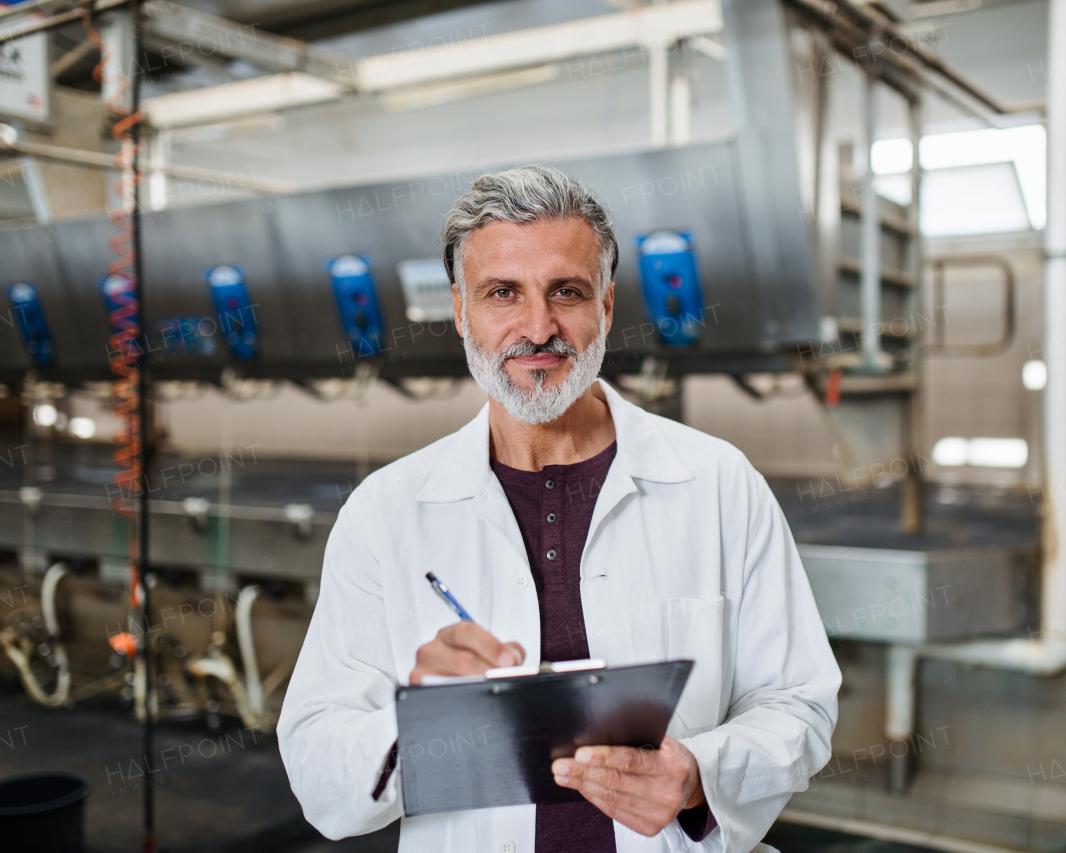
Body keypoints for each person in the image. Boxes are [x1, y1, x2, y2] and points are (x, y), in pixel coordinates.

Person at [278, 165, 840, 852]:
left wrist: (697, 774)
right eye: (502, 293)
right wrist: (417, 719)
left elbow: (800, 705)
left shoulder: (720, 483)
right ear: (461, 310)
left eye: (566, 292)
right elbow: (316, 772)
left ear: (605, 306)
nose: (537, 326)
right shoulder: (385, 514)